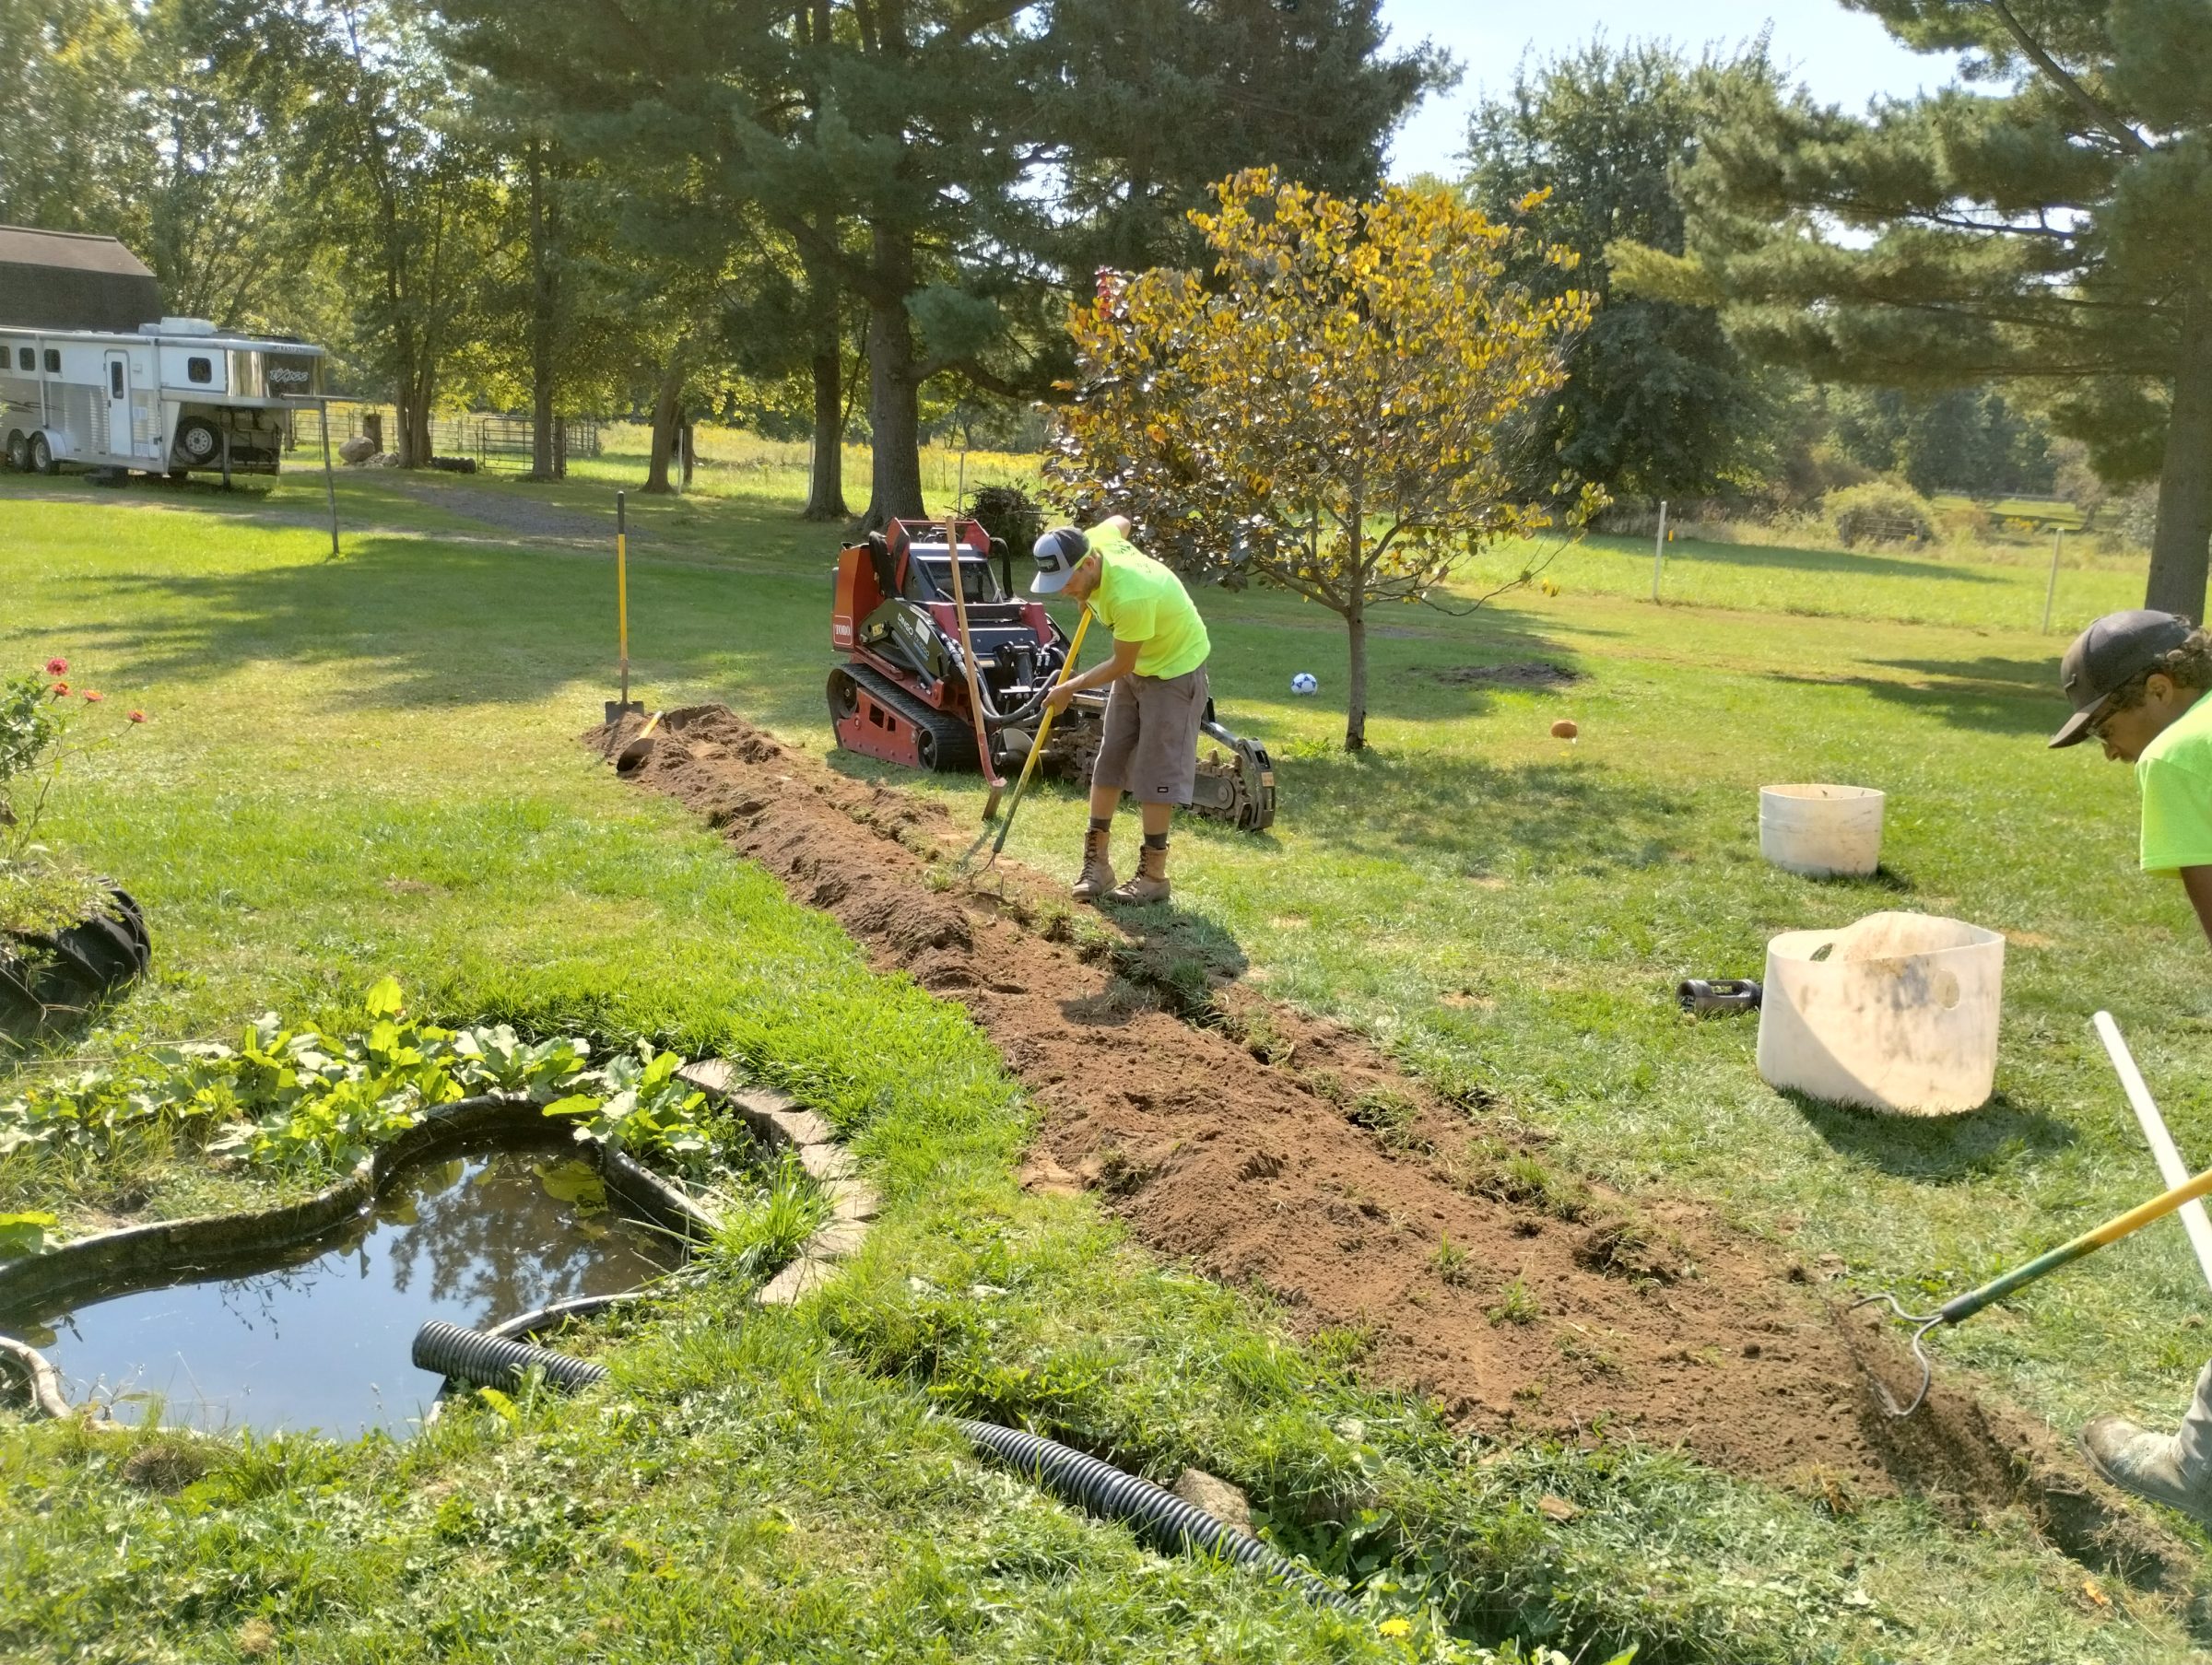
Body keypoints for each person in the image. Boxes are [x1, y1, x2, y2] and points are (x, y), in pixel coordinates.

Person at [2051, 607, 2212, 1525]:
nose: (2112, 752)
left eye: (2107, 725)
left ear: (2159, 690)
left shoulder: (2183, 754)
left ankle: (2201, 1468)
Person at [1028, 517, 1212, 905]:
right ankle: (1098, 867)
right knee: (1109, 758)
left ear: (1090, 564)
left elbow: (1119, 665)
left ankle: (1154, 877)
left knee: (1153, 770)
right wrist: (1084, 596)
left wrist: (1069, 688)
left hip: (1174, 670)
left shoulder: (1131, 596)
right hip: (1139, 667)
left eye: (1068, 581)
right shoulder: (1092, 542)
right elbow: (1121, 522)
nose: (1063, 590)